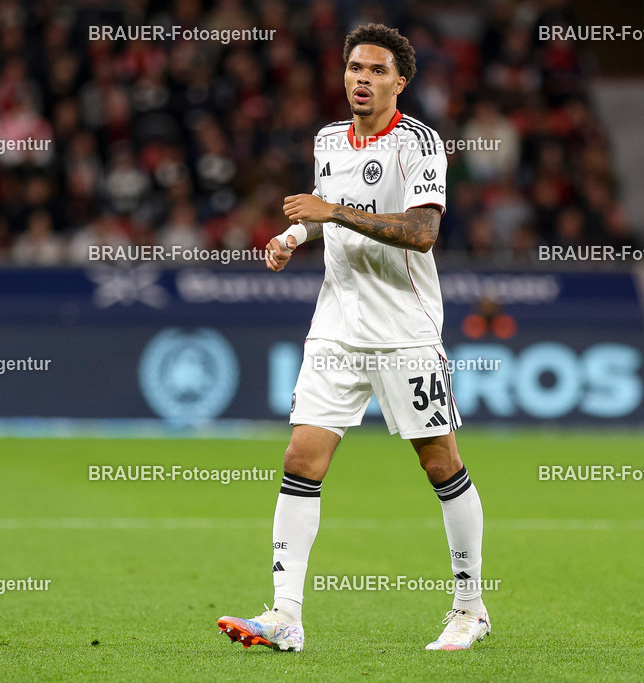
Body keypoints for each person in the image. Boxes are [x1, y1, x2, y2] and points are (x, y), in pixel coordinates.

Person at [217, 23, 489, 652]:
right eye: (353, 69)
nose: (361, 79)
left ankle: (470, 606)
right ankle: (286, 616)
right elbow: (326, 216)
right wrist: (294, 237)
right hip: (336, 328)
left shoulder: (419, 143)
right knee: (300, 460)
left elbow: (422, 232)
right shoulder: (328, 140)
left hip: (404, 329)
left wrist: (331, 212)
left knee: (439, 463)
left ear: (400, 81)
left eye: (375, 71)